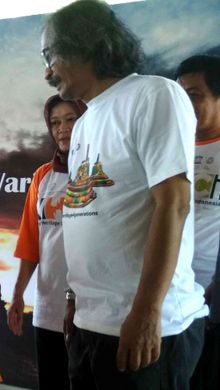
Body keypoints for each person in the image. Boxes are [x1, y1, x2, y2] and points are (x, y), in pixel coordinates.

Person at [41, 1, 208, 388]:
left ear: (84, 43)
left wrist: (147, 312)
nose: (47, 71)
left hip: (148, 328)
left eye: (50, 55)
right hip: (90, 324)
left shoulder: (153, 96)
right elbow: (92, 213)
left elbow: (175, 203)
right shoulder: (85, 123)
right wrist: (75, 300)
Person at [7, 95, 86, 390]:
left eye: (70, 119)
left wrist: (76, 298)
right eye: (55, 123)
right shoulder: (43, 175)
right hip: (47, 306)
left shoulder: (99, 173)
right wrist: (17, 295)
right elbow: (31, 240)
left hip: (88, 308)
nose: (62, 129)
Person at [175, 54, 220, 390]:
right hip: (173, 297)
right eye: (181, 95)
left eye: (195, 94)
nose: (185, 104)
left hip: (211, 296)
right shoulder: (172, 147)